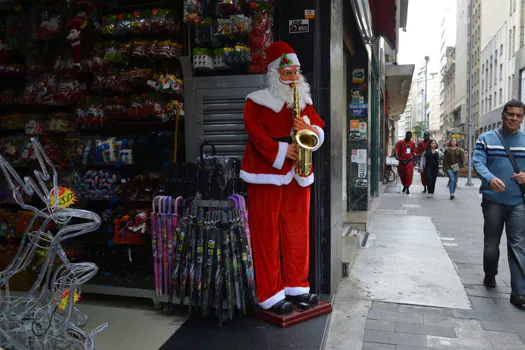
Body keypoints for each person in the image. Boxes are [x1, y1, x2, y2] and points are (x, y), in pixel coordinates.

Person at [240, 41, 325, 315]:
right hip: (266, 173)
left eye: (296, 73)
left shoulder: (305, 103)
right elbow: (255, 134)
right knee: (266, 234)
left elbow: (319, 128)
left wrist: (309, 129)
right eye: (287, 73)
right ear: (274, 73)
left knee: (298, 232)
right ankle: (270, 294)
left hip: (299, 173)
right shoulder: (256, 101)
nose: (292, 79)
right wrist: (281, 150)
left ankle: (297, 287)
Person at [473, 99, 525, 308]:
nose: (514, 118)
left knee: (518, 244)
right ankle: (490, 273)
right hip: (493, 201)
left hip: (519, 202)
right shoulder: (486, 139)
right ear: (503, 115)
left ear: (522, 118)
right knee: (491, 242)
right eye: (510, 114)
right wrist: (489, 178)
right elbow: (478, 162)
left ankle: (519, 292)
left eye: (518, 115)